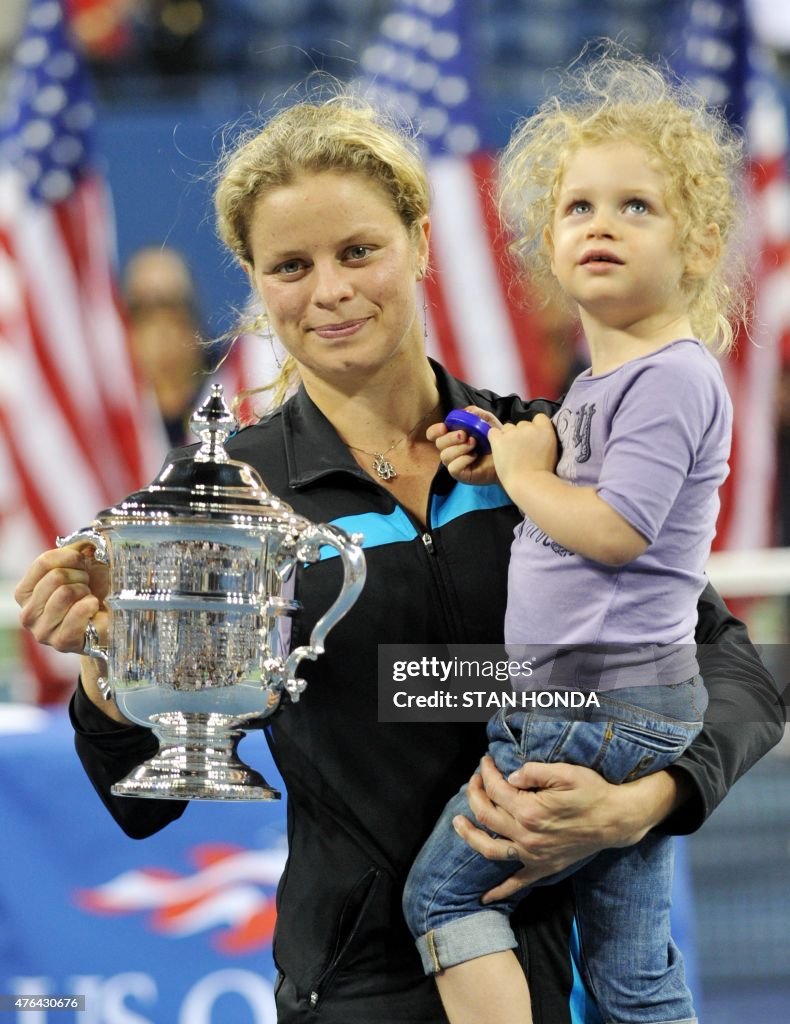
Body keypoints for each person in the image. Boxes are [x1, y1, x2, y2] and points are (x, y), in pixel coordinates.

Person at [13, 90, 783, 1024]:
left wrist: (647, 802)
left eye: (358, 251)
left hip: (584, 980)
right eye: (290, 266)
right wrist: (110, 667)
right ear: (255, 281)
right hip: (363, 991)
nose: (329, 291)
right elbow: (147, 801)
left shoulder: (534, 450)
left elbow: (729, 664)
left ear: (420, 240)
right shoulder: (227, 497)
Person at [402, 53, 746, 1024]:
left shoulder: (671, 378)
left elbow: (615, 531)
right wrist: (508, 462)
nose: (601, 223)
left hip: (587, 704)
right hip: (622, 703)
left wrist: (523, 474)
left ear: (699, 243)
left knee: (439, 896)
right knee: (629, 965)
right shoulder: (611, 384)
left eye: (637, 205)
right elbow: (571, 484)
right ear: (546, 245)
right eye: (578, 207)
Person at [123, 245, 211, 447]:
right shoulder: (108, 410)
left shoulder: (231, 388)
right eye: (142, 312)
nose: (160, 330)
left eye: (172, 307)